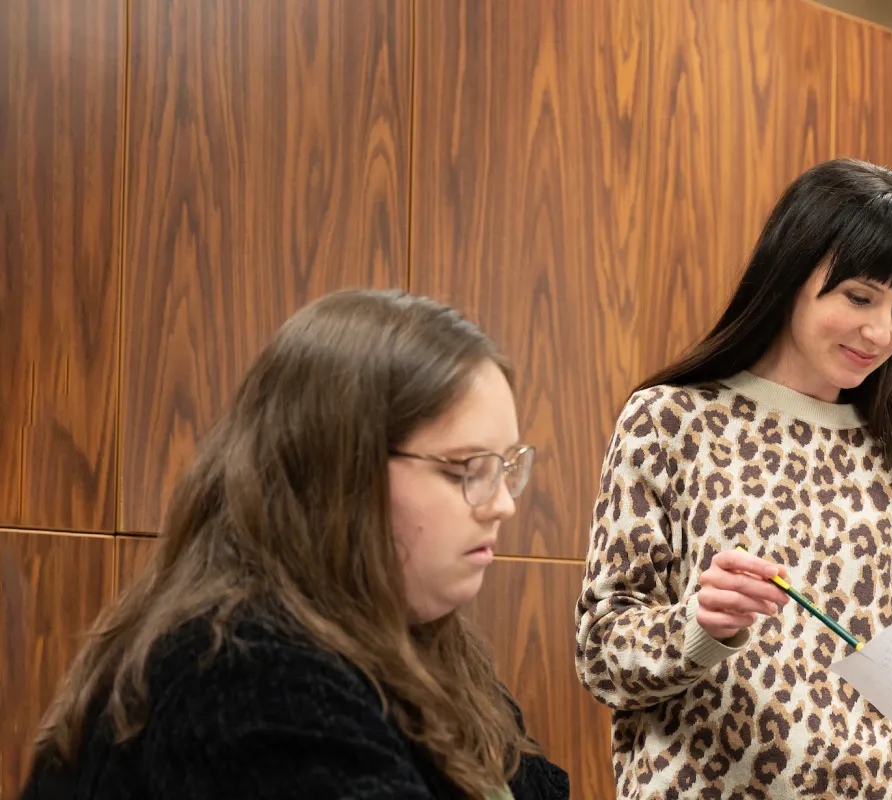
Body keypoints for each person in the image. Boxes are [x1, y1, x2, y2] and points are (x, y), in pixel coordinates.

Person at [21, 289, 570, 800]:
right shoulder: (242, 676)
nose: (503, 504)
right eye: (465, 469)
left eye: (506, 467)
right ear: (339, 473)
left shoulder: (434, 648)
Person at [576, 158, 892, 798]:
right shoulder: (669, 422)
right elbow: (602, 653)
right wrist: (699, 629)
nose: (881, 332)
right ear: (791, 273)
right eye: (860, 297)